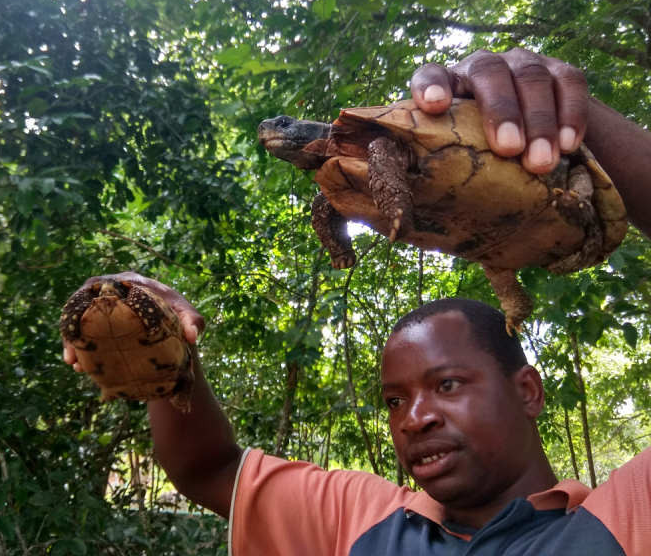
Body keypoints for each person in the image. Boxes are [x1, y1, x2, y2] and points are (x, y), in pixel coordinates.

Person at [64, 49, 651, 555]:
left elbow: (394, 154)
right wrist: (161, 353)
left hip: (545, 192)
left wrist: (577, 120)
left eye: (447, 385)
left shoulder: (625, 519)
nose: (413, 420)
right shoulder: (363, 523)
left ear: (528, 390)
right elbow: (211, 471)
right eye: (393, 401)